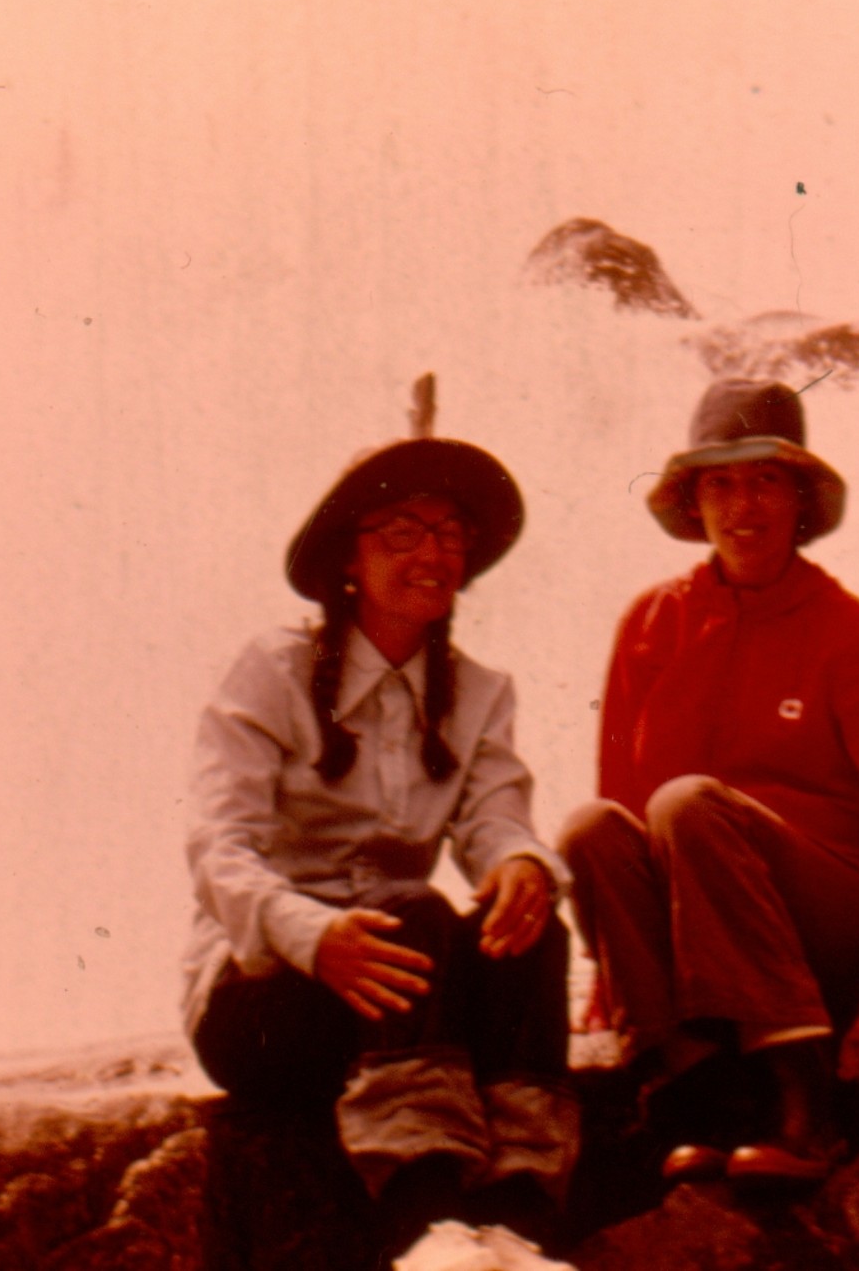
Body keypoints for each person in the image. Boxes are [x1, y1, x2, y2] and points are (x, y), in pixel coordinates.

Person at [558, 378, 859, 1185]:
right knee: (591, 827)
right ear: (693, 502)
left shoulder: (857, 637)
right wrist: (612, 974)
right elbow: (624, 815)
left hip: (825, 931)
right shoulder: (650, 623)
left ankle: (807, 1103)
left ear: (799, 498)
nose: (742, 507)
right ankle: (696, 1096)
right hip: (705, 933)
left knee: (687, 804)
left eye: (764, 481)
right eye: (720, 483)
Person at [183, 427, 578, 1259]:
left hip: (398, 987)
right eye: (402, 531)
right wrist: (313, 937)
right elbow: (219, 848)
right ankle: (424, 1220)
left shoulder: (477, 693)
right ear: (348, 559)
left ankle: (517, 1221)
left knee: (532, 932)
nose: (431, 553)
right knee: (413, 910)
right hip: (267, 997)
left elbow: (496, 817)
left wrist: (519, 865)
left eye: (450, 533)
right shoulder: (274, 671)